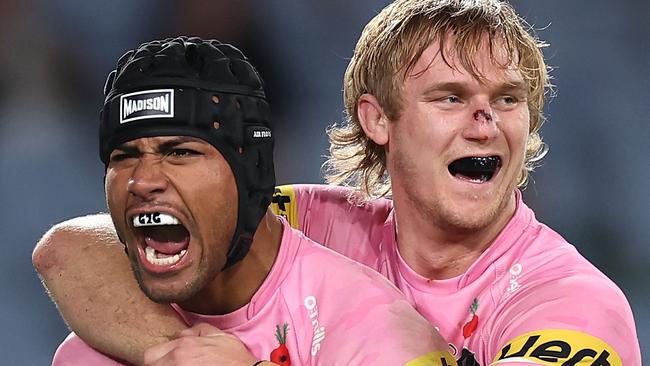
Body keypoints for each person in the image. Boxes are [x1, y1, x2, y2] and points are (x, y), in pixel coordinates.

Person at [33, 1, 642, 365]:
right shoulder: (318, 223)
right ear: (378, 120)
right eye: (449, 97)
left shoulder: (569, 304)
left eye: (507, 100)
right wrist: (174, 352)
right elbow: (75, 250)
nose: (485, 123)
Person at [44, 36, 454, 366]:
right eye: (124, 156)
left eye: (181, 152)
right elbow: (59, 250)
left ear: (250, 170)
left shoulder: (376, 335)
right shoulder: (96, 352)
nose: (143, 180)